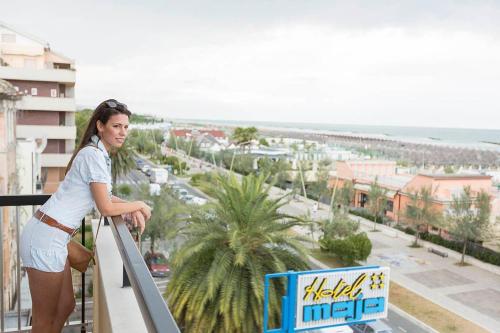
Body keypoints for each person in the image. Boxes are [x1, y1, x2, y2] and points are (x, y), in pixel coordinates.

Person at [19, 99, 151, 333]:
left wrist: (133, 207)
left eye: (126, 127)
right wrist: (139, 203)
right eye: (116, 126)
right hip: (45, 238)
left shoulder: (98, 154)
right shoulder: (92, 156)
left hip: (55, 237)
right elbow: (106, 208)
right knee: (44, 319)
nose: (123, 133)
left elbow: (107, 197)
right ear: (100, 126)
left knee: (65, 306)